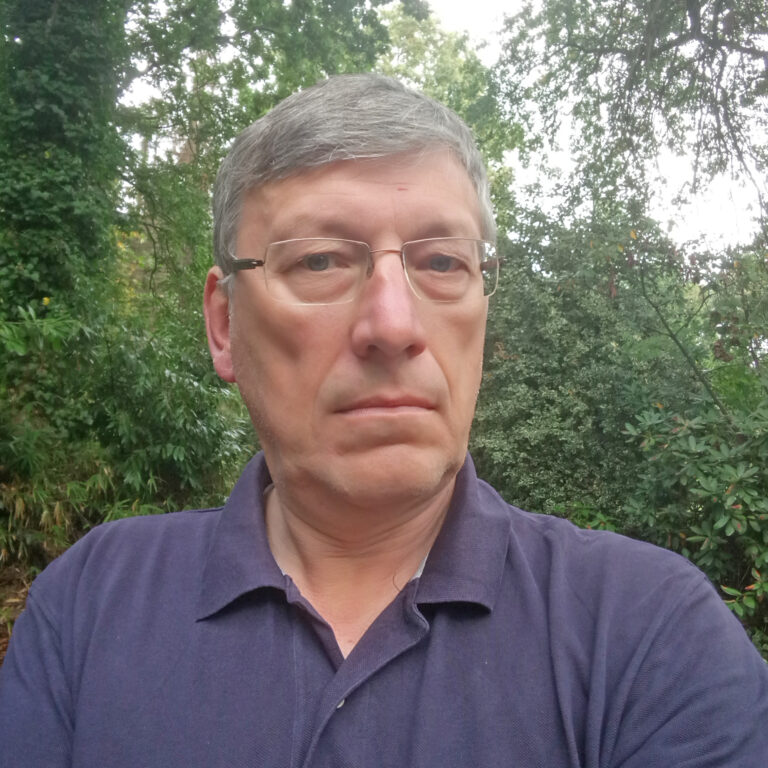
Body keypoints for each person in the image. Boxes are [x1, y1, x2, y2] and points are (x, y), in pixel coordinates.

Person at [1, 73, 766, 767]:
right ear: (225, 324)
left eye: (442, 262)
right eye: (320, 260)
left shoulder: (646, 634)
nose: (394, 325)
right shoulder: (91, 608)